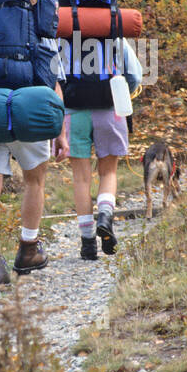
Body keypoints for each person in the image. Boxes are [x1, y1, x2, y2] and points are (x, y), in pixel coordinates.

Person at [0, 29, 69, 286]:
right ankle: (28, 250)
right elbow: (54, 82)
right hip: (30, 108)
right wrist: (61, 133)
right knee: (34, 182)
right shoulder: (37, 19)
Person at [65, 35, 142, 260]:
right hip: (110, 108)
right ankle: (105, 217)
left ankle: (88, 243)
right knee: (108, 172)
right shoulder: (112, 30)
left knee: (81, 178)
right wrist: (123, 93)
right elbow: (135, 75)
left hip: (72, 109)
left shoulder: (62, 34)